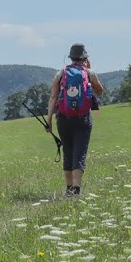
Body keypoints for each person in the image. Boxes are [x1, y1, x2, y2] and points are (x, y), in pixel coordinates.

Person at [47, 43, 105, 197]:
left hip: (63, 118)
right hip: (83, 118)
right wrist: (90, 75)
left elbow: (53, 97)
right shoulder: (89, 72)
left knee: (68, 150)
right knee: (80, 152)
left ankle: (68, 188)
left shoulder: (60, 73)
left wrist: (49, 121)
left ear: (70, 57)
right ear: (84, 57)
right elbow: (100, 92)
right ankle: (76, 189)